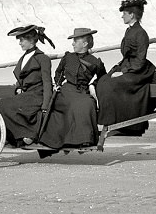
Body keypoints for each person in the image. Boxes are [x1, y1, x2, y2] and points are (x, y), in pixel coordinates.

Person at [36, 27, 108, 158]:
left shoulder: (95, 62)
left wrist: (93, 85)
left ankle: (83, 141)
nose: (73, 43)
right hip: (66, 90)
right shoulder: (68, 57)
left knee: (88, 104)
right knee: (66, 105)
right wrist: (57, 84)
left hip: (82, 91)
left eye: (76, 41)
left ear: (85, 43)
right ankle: (61, 141)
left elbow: (103, 79)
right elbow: (58, 73)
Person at [94, 0, 155, 136]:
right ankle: (110, 122)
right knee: (103, 80)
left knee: (111, 84)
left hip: (138, 70)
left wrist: (123, 72)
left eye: (125, 14)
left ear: (132, 15)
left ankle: (122, 125)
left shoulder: (141, 33)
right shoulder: (130, 30)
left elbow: (140, 60)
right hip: (128, 66)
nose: (122, 16)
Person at [0, 24, 55, 147]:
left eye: (22, 40)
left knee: (2, 104)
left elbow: (47, 82)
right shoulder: (23, 58)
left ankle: (28, 134)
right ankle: (16, 135)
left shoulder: (43, 58)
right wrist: (18, 88)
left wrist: (45, 105)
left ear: (31, 40)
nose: (20, 43)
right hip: (27, 95)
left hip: (38, 95)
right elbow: (21, 78)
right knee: (2, 104)